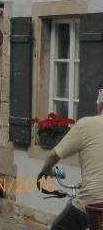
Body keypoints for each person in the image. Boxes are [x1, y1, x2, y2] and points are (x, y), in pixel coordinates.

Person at [40, 90, 103, 229]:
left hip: (92, 202)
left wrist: (46, 170)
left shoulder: (85, 125)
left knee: (58, 227)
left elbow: (53, 155)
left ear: (99, 106)